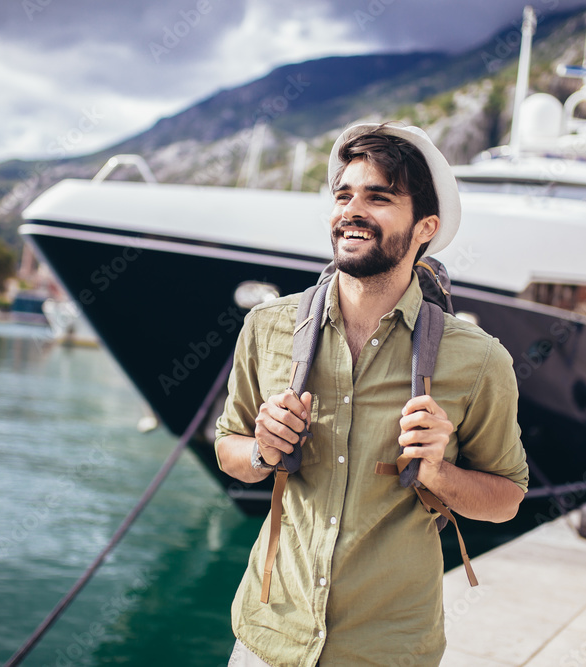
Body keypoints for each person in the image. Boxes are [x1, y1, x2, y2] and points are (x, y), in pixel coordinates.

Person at [215, 122, 528, 666]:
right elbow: (229, 450)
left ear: (424, 226)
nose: (352, 210)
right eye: (344, 195)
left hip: (388, 651)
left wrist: (437, 470)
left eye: (378, 198)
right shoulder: (267, 328)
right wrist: (262, 449)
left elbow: (507, 501)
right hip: (266, 642)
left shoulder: (479, 360)